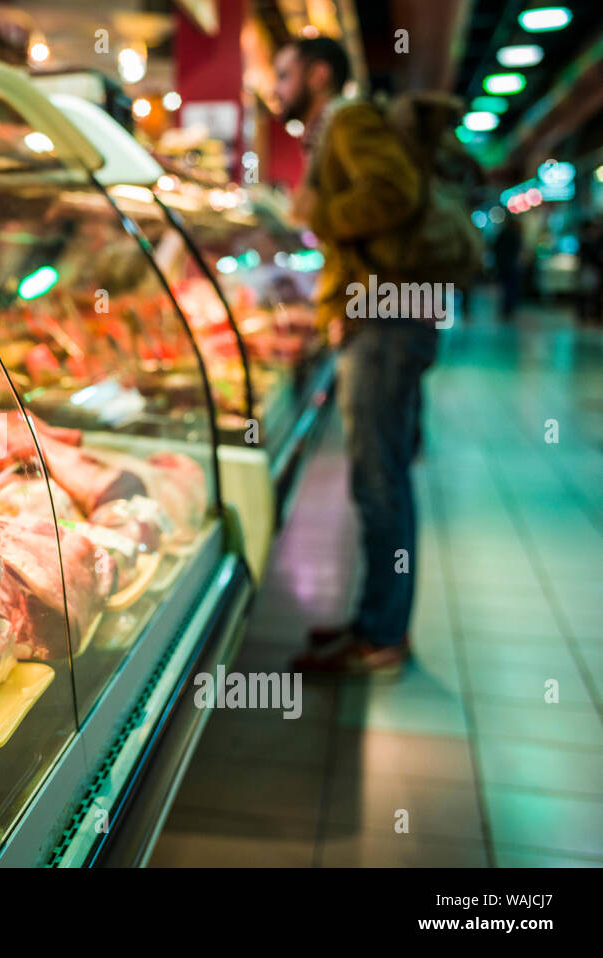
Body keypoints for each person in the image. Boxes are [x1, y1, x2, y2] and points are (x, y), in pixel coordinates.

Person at [274, 37, 440, 677]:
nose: (277, 86)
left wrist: (319, 212)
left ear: (318, 74)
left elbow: (395, 191)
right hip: (384, 317)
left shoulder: (349, 120)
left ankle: (380, 636)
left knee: (380, 482)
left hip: (386, 321)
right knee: (381, 478)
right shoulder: (336, 126)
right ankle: (377, 622)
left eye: (285, 73)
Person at [492, 218, 523, 323]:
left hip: (502, 264)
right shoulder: (515, 235)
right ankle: (508, 309)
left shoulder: (503, 234)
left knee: (504, 288)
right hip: (511, 265)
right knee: (511, 288)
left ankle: (505, 308)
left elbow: (495, 247)